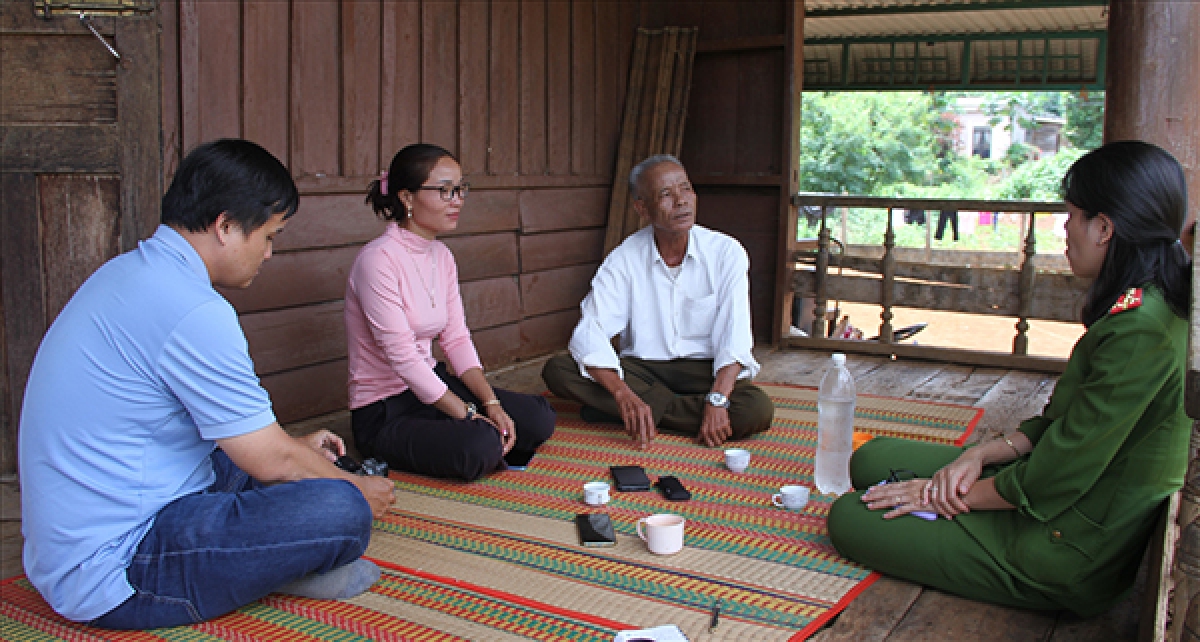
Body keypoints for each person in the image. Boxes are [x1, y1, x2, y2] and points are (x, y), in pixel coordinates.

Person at [19, 139, 397, 630]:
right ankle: (276, 566)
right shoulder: (193, 309)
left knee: (283, 464)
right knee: (340, 508)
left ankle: (266, 557)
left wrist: (293, 448)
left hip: (87, 533)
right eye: (269, 236)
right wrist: (356, 489)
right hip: (117, 566)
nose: (268, 253)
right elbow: (270, 460)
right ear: (225, 226)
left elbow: (246, 443)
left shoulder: (129, 272)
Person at [827, 140, 1193, 617]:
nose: (1065, 229)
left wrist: (937, 494)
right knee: (872, 457)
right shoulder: (1148, 302)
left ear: (1104, 228)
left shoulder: (1142, 332)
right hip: (1058, 486)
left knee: (850, 519)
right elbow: (1066, 426)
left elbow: (1061, 474)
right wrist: (982, 454)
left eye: (1073, 215)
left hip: (1065, 543)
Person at [345, 143, 555, 482]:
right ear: (407, 197)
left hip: (431, 387)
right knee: (480, 446)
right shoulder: (377, 261)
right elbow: (403, 358)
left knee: (538, 419)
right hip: (385, 410)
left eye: (460, 189)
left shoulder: (441, 256)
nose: (457, 199)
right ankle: (436, 435)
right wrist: (468, 415)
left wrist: (490, 403)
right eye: (444, 191)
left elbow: (456, 338)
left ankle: (449, 428)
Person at [541, 154, 774, 450]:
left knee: (755, 409)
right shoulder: (623, 259)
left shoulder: (726, 253)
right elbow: (590, 332)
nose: (681, 201)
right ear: (642, 208)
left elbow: (736, 336)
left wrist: (717, 400)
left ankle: (630, 411)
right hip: (643, 369)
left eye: (686, 189)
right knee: (559, 370)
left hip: (704, 371)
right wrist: (623, 394)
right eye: (666, 194)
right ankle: (644, 408)